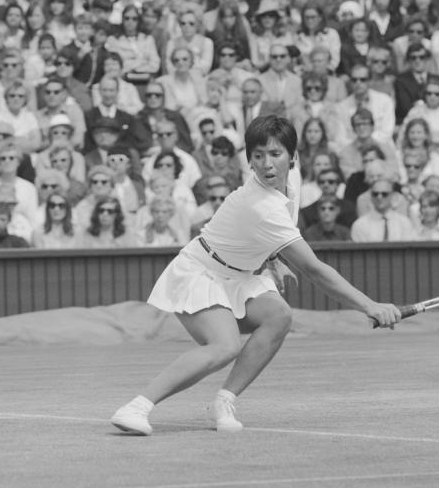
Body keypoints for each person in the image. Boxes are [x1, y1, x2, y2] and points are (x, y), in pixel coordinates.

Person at [110, 116, 400, 436]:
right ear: (249, 160)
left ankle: (225, 400)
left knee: (278, 315)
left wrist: (273, 257)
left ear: (293, 157)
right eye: (257, 155)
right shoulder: (262, 205)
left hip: (241, 273)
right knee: (224, 346)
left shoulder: (293, 180)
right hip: (201, 272)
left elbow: (273, 234)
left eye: (275, 154)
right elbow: (314, 269)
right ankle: (138, 406)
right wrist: (369, 305)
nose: (266, 164)